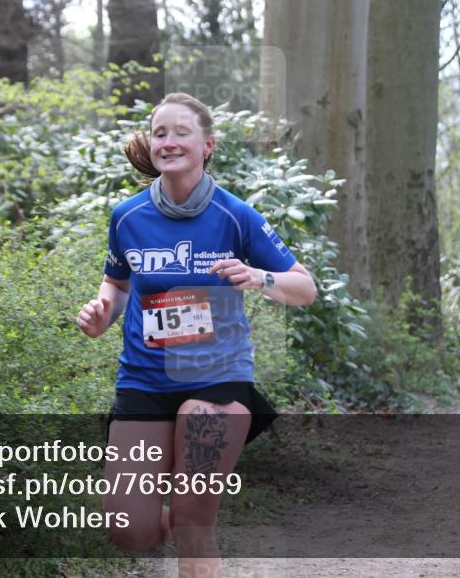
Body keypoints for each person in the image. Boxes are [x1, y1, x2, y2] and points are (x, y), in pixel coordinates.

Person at [75, 92, 316, 577]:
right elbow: (118, 284)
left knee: (192, 522)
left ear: (207, 144)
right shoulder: (127, 216)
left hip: (217, 378)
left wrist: (259, 277)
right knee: (129, 528)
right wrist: (103, 313)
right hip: (144, 381)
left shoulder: (236, 216)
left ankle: (193, 532)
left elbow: (305, 287)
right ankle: (178, 527)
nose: (168, 142)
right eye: (160, 133)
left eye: (180, 132)